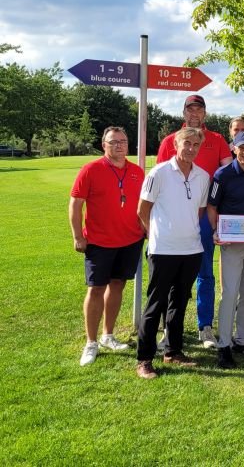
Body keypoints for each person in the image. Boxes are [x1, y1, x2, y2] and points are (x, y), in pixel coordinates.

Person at [156, 94, 231, 350]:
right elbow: (158, 181)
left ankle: (205, 326)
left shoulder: (218, 140)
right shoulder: (169, 141)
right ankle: (169, 329)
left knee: (205, 274)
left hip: (204, 215)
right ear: (184, 113)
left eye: (199, 110)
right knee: (169, 277)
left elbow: (227, 174)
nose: (194, 114)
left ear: (205, 114)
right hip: (174, 218)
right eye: (190, 109)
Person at [136, 128, 210, 379]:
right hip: (163, 249)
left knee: (179, 302)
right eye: (186, 143)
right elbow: (142, 210)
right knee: (155, 304)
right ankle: (144, 359)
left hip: (191, 249)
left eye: (195, 144)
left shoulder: (202, 176)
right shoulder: (159, 173)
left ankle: (173, 351)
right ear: (175, 145)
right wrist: (155, 234)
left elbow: (199, 211)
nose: (191, 148)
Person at [69, 127, 145, 366]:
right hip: (99, 241)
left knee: (118, 285)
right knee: (95, 289)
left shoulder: (136, 172)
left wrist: (145, 228)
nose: (119, 146)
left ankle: (108, 335)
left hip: (130, 239)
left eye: (123, 141)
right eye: (114, 142)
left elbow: (144, 204)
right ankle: (91, 343)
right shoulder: (91, 169)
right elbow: (75, 204)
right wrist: (77, 236)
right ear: (104, 145)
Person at [207, 131, 244, 368]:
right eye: (241, 149)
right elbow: (212, 206)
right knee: (230, 293)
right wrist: (215, 230)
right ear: (234, 149)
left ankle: (242, 339)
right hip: (231, 244)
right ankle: (224, 344)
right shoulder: (222, 175)